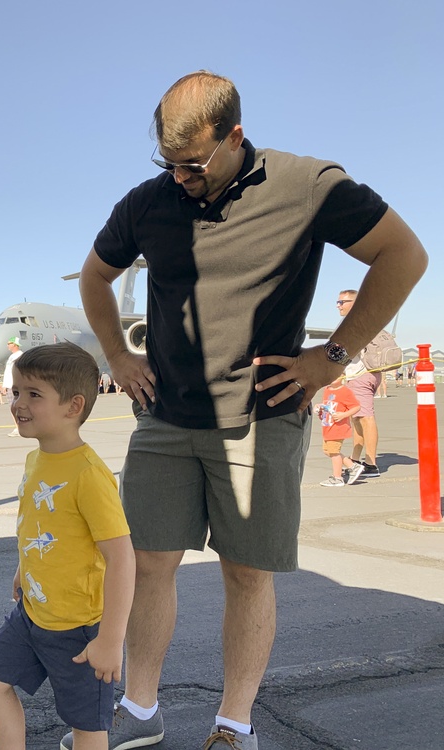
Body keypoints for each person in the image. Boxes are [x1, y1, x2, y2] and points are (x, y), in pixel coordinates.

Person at [75, 70, 427, 750]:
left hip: (260, 418)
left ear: (235, 135)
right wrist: (118, 357)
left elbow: (403, 255)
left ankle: (234, 726)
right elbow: (96, 274)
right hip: (166, 418)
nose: (180, 177)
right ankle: (141, 711)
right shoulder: (147, 203)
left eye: (194, 164)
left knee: (246, 573)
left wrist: (333, 358)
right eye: (167, 163)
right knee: (148, 564)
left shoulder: (308, 185)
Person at [0, 342, 135, 750]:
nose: (17, 403)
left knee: (85, 726)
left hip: (79, 628)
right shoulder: (36, 459)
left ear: (73, 406)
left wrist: (110, 640)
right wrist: (23, 569)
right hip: (33, 611)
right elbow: (43, 526)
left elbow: (121, 558)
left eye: (33, 394)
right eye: (15, 392)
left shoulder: (89, 474)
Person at [337, 290, 383, 478]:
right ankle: (356, 459)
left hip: (361, 374)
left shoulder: (357, 321)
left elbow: (346, 349)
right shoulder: (365, 319)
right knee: (357, 417)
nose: (338, 305)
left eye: (342, 301)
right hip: (363, 374)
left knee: (366, 418)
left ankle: (371, 464)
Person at [317, 375, 363, 487]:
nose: (333, 377)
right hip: (328, 425)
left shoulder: (345, 391)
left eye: (336, 375)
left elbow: (356, 406)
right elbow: (327, 406)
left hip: (338, 427)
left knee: (334, 452)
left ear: (343, 376)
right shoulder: (327, 390)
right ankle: (352, 466)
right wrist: (320, 409)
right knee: (327, 450)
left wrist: (344, 415)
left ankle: (337, 477)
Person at [3, 337, 24, 435]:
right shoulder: (12, 356)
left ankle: (19, 428)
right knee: (12, 407)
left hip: (14, 385)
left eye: (9, 343)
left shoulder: (19, 356)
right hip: (9, 385)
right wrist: (4, 385)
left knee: (15, 407)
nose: (7, 345)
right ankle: (17, 427)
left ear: (15, 344)